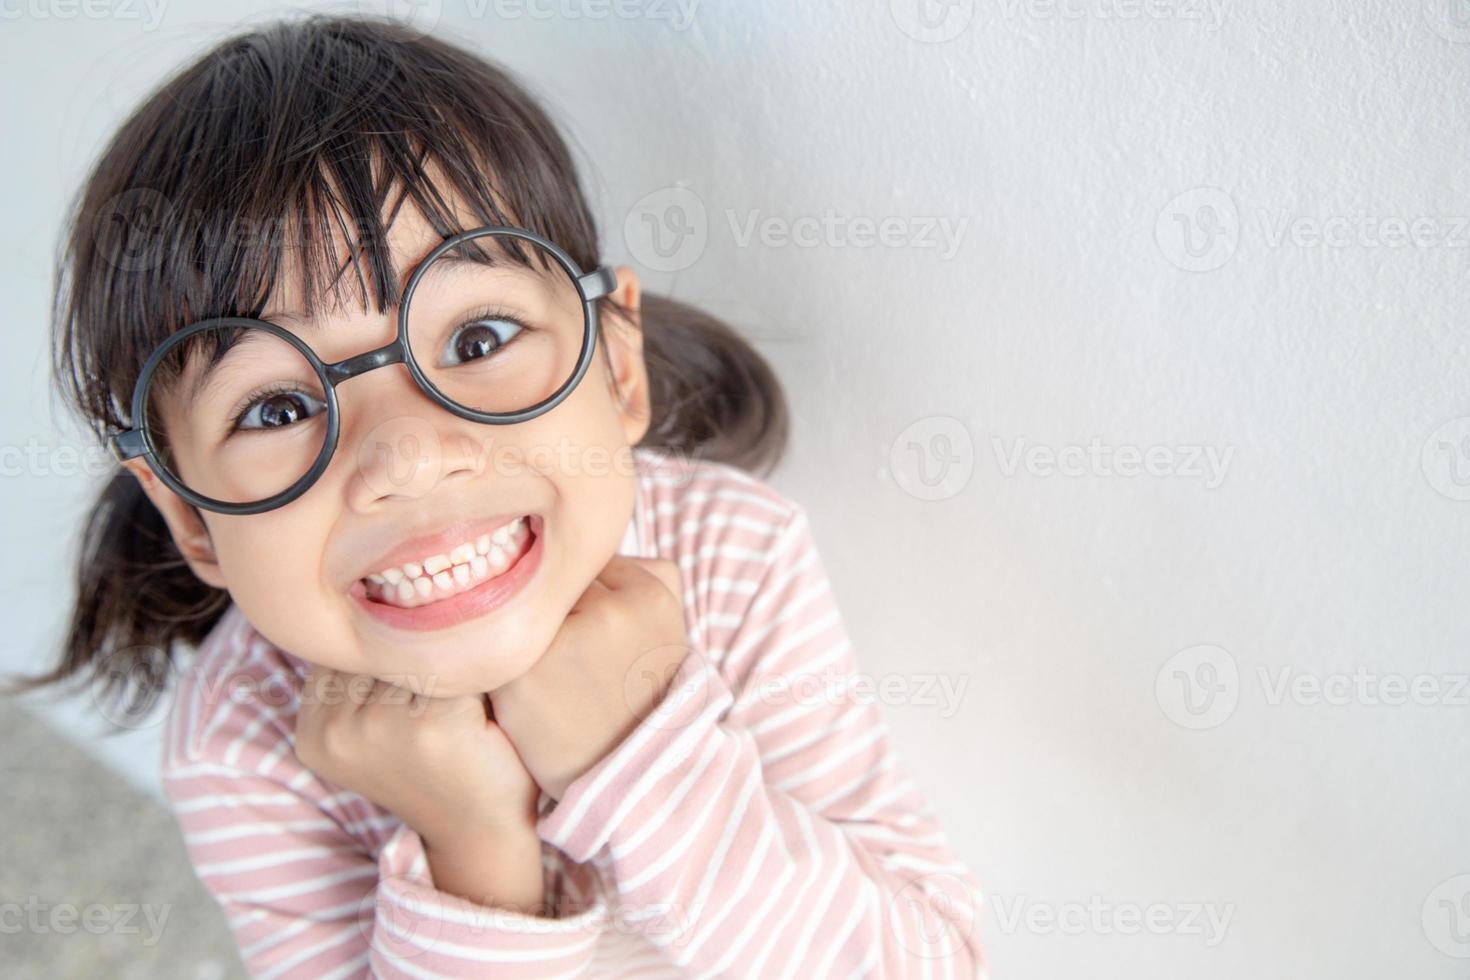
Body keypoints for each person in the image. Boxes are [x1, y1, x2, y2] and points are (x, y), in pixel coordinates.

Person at [27, 15, 986, 977]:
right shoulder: (238, 740)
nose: (405, 453)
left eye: (477, 340)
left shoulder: (732, 555)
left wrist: (633, 752)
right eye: (277, 406)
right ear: (189, 514)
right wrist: (471, 848)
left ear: (616, 365)